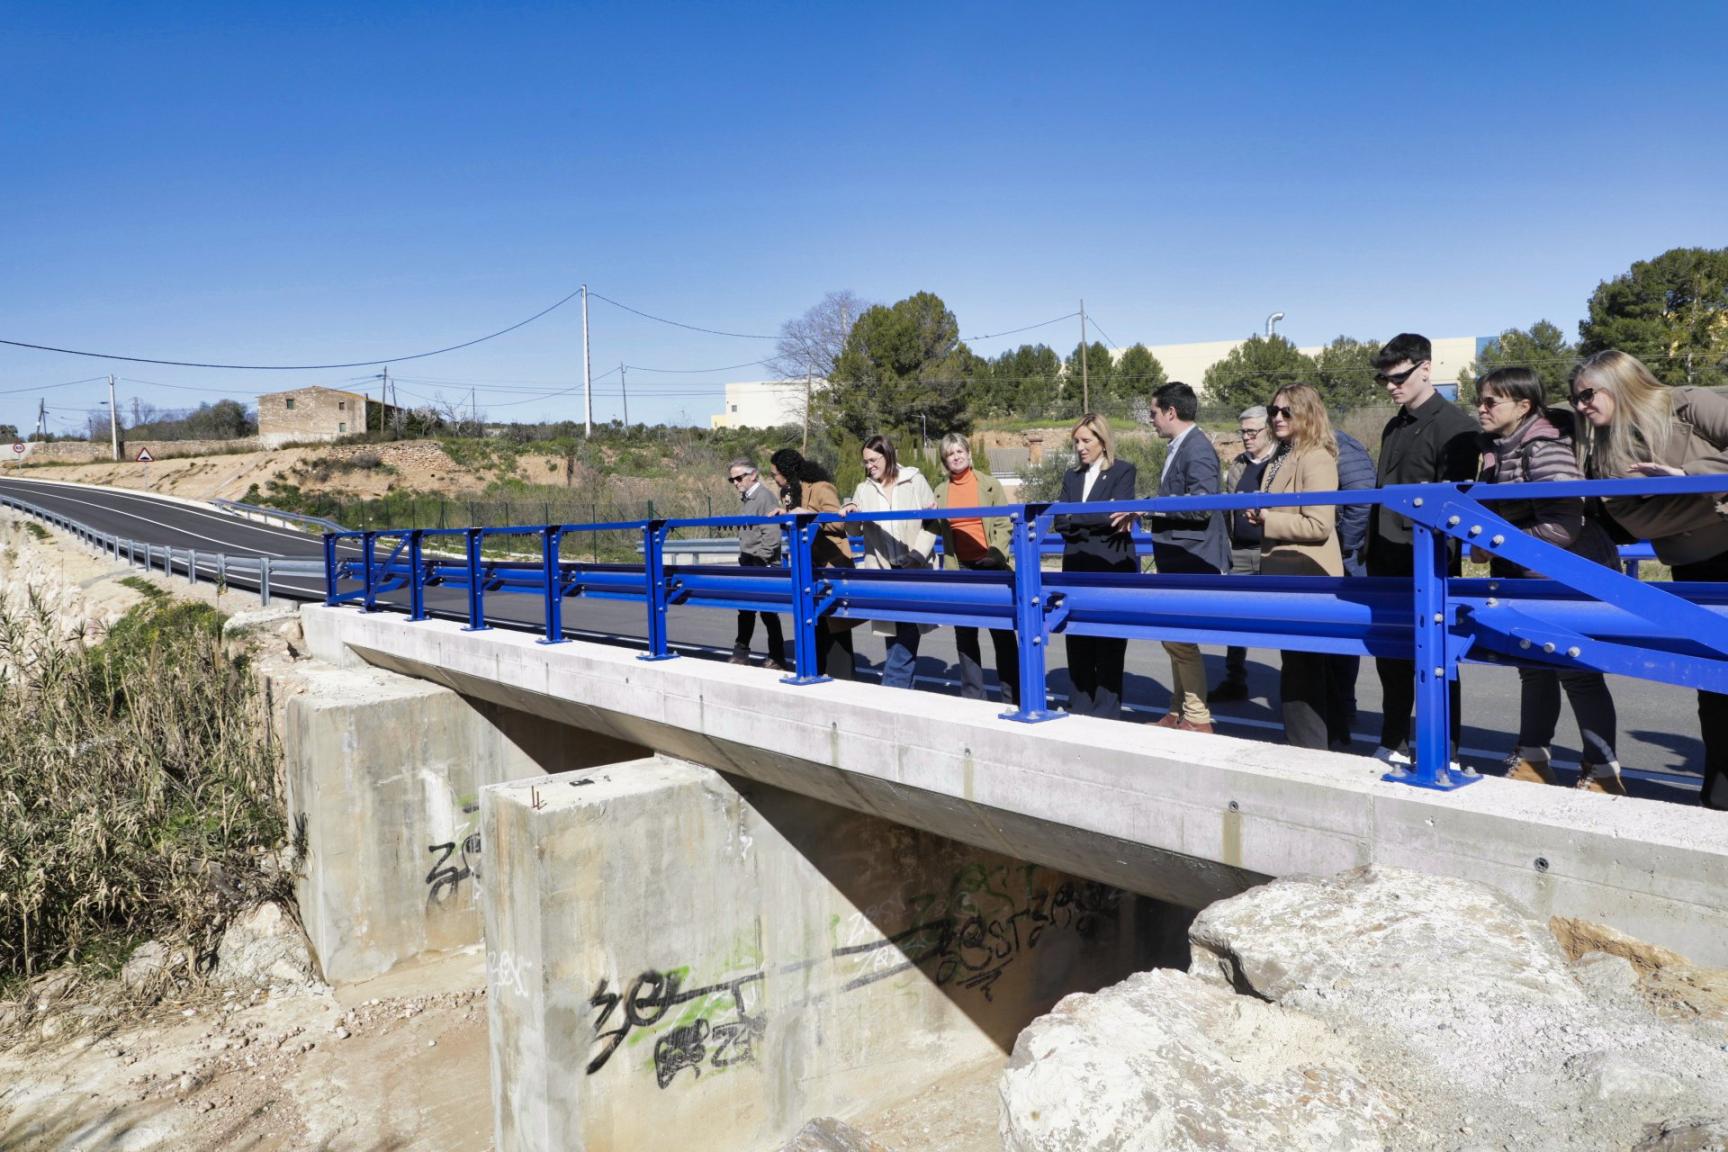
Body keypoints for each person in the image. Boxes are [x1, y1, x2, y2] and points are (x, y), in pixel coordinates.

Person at [1572, 349, 1728, 810]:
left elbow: (1650, 510)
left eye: (1587, 394)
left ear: (1620, 382)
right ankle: (1719, 796)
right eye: (1574, 398)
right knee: (1715, 685)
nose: (1581, 406)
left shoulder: (1690, 404)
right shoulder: (1603, 446)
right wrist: (1713, 498)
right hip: (1694, 566)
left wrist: (1688, 479)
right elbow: (1634, 518)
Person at [1473, 367, 1624, 791]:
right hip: (1529, 576)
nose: (1481, 409)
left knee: (1578, 672)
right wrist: (1486, 542)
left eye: (1490, 402)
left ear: (1523, 406)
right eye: (1479, 401)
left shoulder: (1544, 446)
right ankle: (1533, 760)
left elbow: (1563, 525)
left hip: (1568, 574)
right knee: (1533, 667)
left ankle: (1603, 772)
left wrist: (1500, 543)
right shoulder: (1498, 448)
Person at [1366, 332, 1480, 766]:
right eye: (1385, 380)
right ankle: (1393, 735)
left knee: (1438, 656)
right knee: (1390, 655)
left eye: (1399, 377)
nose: (1392, 386)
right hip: (1384, 555)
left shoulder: (1457, 427)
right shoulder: (1394, 425)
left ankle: (1444, 747)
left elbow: (1456, 508)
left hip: (1429, 561)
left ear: (1426, 368)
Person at [1244, 382, 1342, 749]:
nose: (1278, 417)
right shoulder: (1284, 456)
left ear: (1307, 413)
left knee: (1303, 668)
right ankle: (1328, 736)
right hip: (1285, 571)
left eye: (1287, 411)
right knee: (1302, 663)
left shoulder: (1316, 456)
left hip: (1308, 574)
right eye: (1274, 411)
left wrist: (1269, 518)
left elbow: (1320, 525)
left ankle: (1308, 748)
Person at [1131, 382, 1229, 733]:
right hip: (1178, 556)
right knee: (1174, 638)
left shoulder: (1197, 449)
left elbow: (1201, 507)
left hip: (1192, 557)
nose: (1152, 420)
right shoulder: (1180, 446)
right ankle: (1177, 710)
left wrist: (1152, 510)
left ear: (1171, 412)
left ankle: (1198, 718)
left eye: (1154, 413)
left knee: (1180, 640)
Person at [1056, 413, 1138, 719]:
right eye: (1076, 441)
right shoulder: (1071, 477)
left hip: (1111, 567)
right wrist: (1087, 520)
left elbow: (1114, 519)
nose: (1080, 447)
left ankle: (1106, 713)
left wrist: (1077, 519)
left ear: (1103, 441)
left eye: (1086, 440)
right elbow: (1059, 521)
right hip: (1076, 567)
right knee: (1077, 640)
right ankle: (1079, 705)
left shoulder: (1123, 471)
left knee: (1109, 644)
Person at [841, 434, 937, 690]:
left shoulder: (915, 480)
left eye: (873, 460)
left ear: (888, 455)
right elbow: (854, 532)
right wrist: (850, 514)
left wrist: (918, 556)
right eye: (865, 461)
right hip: (883, 569)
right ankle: (905, 694)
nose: (868, 466)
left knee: (908, 628)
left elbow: (932, 521)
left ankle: (891, 688)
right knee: (893, 632)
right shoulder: (863, 489)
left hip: (914, 567)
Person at [932, 433, 1020, 705]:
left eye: (960, 451)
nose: (956, 456)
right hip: (960, 567)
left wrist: (996, 553)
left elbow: (1005, 524)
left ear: (968, 453)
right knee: (966, 633)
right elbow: (938, 529)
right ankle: (973, 696)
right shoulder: (940, 490)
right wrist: (929, 515)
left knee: (1003, 633)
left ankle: (1013, 695)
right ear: (945, 460)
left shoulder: (989, 484)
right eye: (950, 453)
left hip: (991, 565)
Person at [770, 447, 854, 681]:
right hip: (808, 569)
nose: (774, 479)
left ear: (786, 472)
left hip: (830, 566)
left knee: (836, 630)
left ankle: (844, 681)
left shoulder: (820, 488)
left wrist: (805, 513)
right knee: (814, 626)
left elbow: (838, 523)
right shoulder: (789, 493)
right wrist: (784, 516)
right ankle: (816, 674)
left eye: (775, 474)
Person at [1215, 405, 1276, 701]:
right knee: (1233, 618)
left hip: (1272, 551)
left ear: (1269, 430)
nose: (1247, 438)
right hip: (1239, 551)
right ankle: (1234, 679)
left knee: (1284, 617)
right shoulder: (1238, 464)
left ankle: (1294, 684)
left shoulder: (1283, 462)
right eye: (1243, 432)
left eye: (1253, 431)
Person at [1323, 428, 1376, 750]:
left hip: (1343, 559)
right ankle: (1333, 711)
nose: (1278, 419)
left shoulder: (1341, 444)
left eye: (1286, 412)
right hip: (1319, 558)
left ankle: (1343, 709)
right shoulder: (1297, 447)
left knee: (1341, 638)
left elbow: (1361, 496)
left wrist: (1343, 545)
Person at [727, 458, 786, 671]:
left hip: (762, 563)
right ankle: (741, 652)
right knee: (746, 609)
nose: (735, 482)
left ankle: (777, 657)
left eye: (739, 477)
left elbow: (771, 533)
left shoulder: (764, 497)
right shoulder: (748, 498)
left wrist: (761, 560)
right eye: (732, 479)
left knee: (768, 612)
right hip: (749, 560)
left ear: (753, 475)